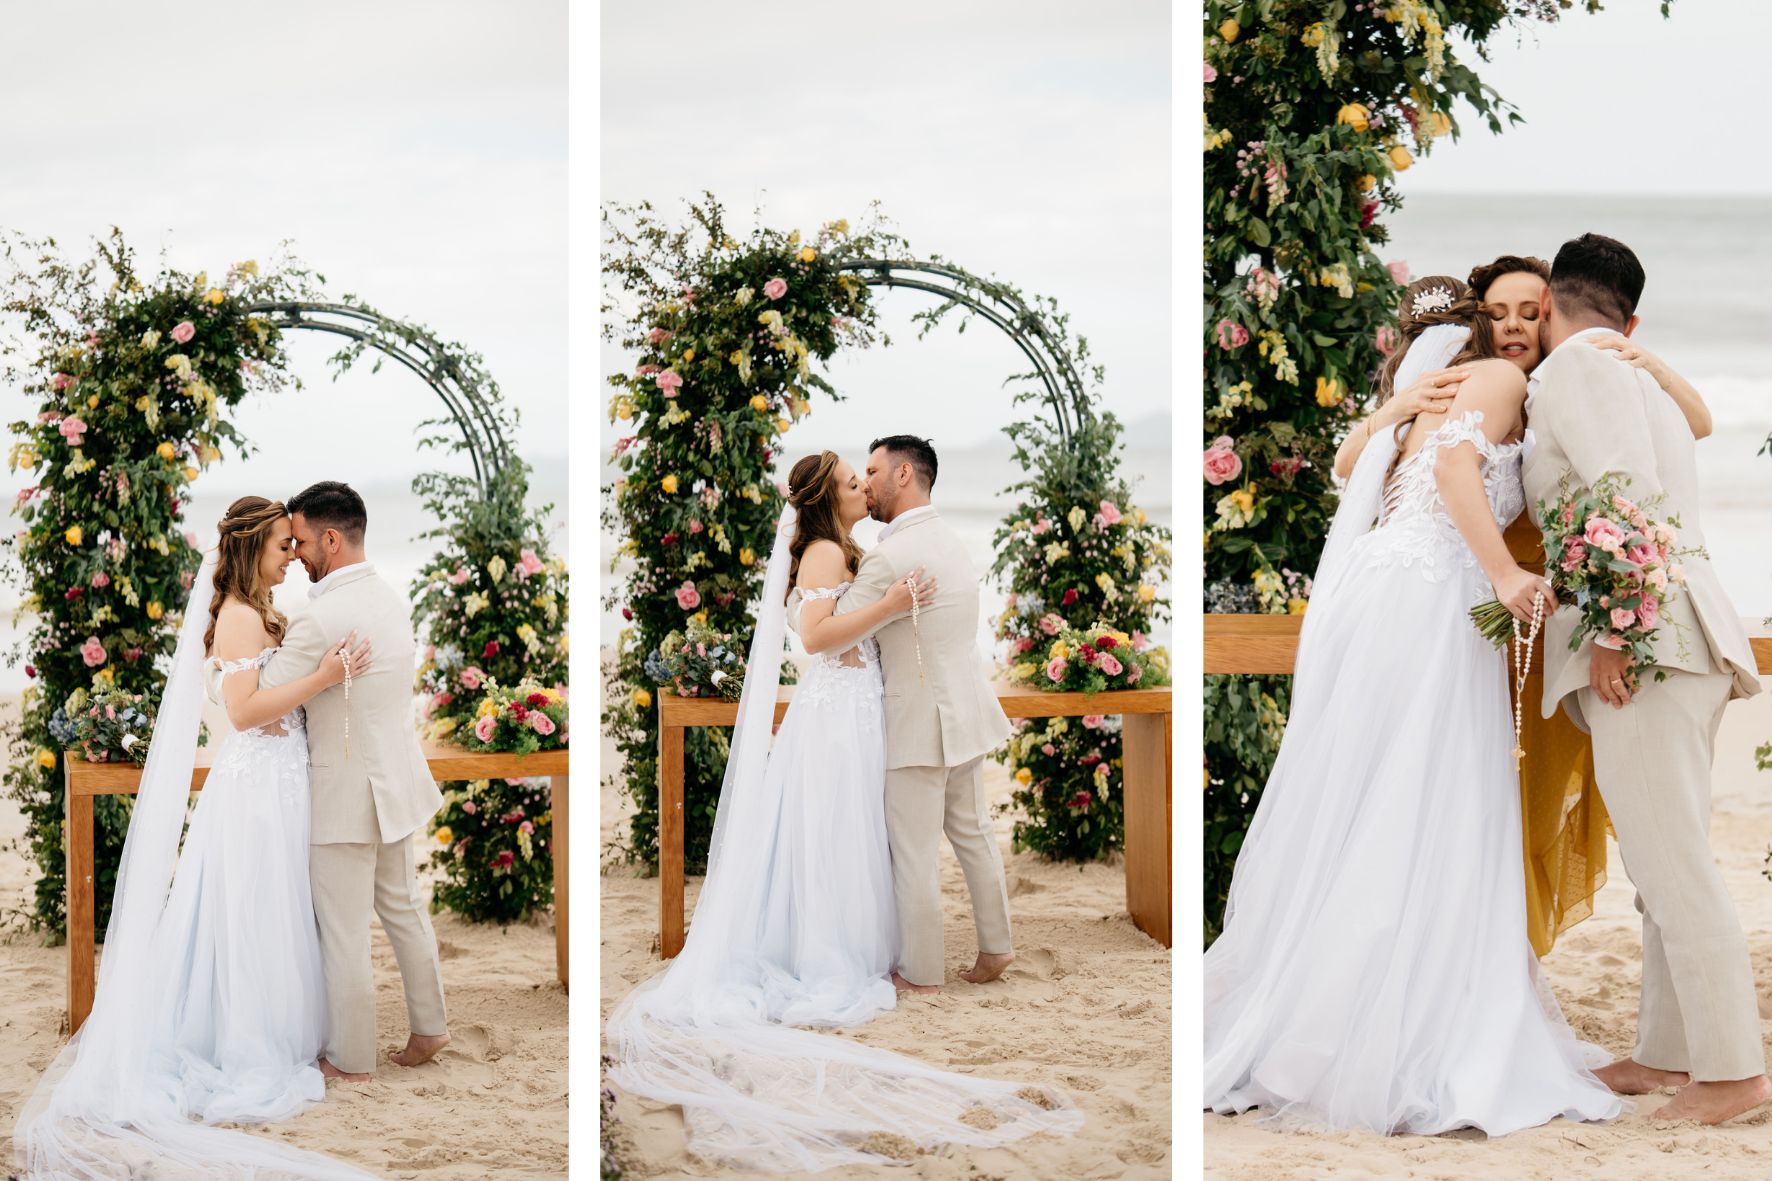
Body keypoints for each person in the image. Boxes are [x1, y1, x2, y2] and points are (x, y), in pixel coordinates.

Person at [1204, 277, 1622, 1135]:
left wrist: (1390, 407)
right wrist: (1505, 574)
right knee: (1433, 799)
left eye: (1528, 313)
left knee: (1371, 796)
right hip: (1434, 593)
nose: (1513, 328)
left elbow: (1350, 466)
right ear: (1475, 324)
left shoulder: (1434, 390)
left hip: (1380, 588)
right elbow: (1454, 465)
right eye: (1498, 312)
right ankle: (1410, 1024)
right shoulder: (1499, 385)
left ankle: (1327, 1019)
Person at [604, 450, 1080, 1172]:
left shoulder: (856, 548)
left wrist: (884, 611)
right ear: (829, 497)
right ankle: (875, 951)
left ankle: (906, 954)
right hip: (839, 714)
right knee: (845, 832)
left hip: (867, 712)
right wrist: (888, 606)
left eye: (870, 476)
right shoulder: (830, 550)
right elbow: (817, 636)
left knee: (868, 835)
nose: (865, 485)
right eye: (854, 481)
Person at [14, 497, 377, 1179]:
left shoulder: (265, 609)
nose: (291, 555)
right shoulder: (239, 618)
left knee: (277, 912)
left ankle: (290, 1032)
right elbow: (242, 713)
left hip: (283, 782)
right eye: (280, 546)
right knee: (251, 914)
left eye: (294, 545)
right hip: (256, 791)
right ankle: (250, 1041)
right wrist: (324, 676)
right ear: (248, 550)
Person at [1523, 233, 1766, 1125]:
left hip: (1649, 648)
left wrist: (1614, 631)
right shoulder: (1637, 375)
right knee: (1664, 858)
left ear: (1549, 304)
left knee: (1674, 867)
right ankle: (1669, 1054)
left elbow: (1619, 496)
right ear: (1632, 318)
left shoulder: (1580, 372)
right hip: (1686, 639)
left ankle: (1734, 1073)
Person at [261, 480, 450, 1080]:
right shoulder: (391, 602)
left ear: (333, 540)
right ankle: (430, 1027)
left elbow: (261, 698)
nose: (295, 555)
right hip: (394, 783)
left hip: (344, 793)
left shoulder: (319, 620)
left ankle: (351, 1060)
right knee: (402, 907)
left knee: (343, 931)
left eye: (302, 542)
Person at [832, 434, 1017, 992]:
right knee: (974, 833)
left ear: (904, 475)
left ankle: (921, 972)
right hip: (965, 711)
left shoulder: (891, 555)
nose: (865, 483)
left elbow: (830, 631)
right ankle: (997, 947)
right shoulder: (951, 540)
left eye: (873, 470)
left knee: (912, 852)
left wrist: (797, 599)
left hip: (917, 720)